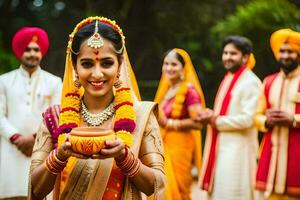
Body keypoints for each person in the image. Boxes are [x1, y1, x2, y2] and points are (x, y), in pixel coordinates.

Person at [29, 16, 166, 200]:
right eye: (87, 64)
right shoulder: (55, 117)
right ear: (75, 68)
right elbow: (35, 189)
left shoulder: (140, 116)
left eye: (107, 63)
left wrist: (125, 157)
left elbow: (156, 185)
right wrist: (59, 157)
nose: (97, 73)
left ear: (119, 66)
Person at [0, 27, 62, 199]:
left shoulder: (54, 82)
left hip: (42, 149)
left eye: (36, 49)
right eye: (27, 49)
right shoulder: (3, 81)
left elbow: (57, 115)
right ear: (20, 52)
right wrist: (17, 138)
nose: (32, 54)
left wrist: (34, 140)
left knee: (40, 192)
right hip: (10, 150)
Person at [197, 35, 262, 200]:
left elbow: (248, 119)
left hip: (238, 151)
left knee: (234, 193)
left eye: (233, 54)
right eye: (225, 53)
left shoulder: (251, 82)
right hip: (222, 146)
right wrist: (210, 114)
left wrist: (214, 120)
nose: (227, 57)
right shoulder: (229, 78)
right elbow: (226, 113)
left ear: (245, 57)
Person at [255, 29, 300, 200]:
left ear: (298, 54)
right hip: (271, 152)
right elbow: (256, 116)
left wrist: (293, 120)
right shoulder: (268, 81)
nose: (285, 55)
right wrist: (266, 121)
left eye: (290, 51)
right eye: (282, 51)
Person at [154, 48, 205, 200]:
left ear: (183, 68)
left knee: (180, 186)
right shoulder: (168, 89)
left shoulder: (190, 91)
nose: (169, 68)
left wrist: (169, 123)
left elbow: (198, 123)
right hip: (164, 143)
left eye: (174, 64)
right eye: (166, 64)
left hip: (181, 145)